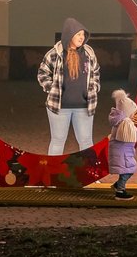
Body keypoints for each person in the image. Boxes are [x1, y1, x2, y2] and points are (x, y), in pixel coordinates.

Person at [37, 17, 101, 155]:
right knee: (58, 141)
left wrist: (94, 87)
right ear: (69, 35)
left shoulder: (88, 53)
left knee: (86, 141)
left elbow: (96, 71)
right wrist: (51, 89)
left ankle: (89, 169)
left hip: (84, 107)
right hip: (59, 107)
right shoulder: (55, 53)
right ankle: (53, 169)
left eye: (83, 34)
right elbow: (42, 73)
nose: (81, 37)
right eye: (78, 34)